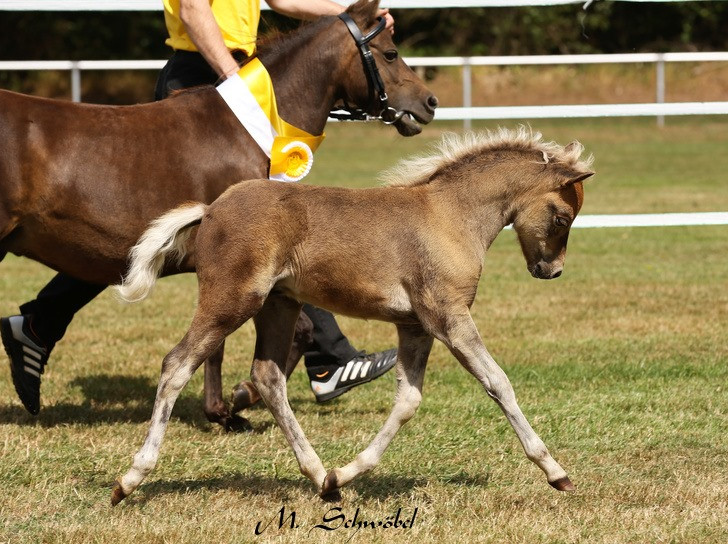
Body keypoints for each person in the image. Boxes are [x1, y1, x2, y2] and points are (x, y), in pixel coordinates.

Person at [1, 0, 397, 416]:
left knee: (158, 231)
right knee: (163, 229)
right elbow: (192, 8)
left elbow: (280, 0)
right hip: (211, 73)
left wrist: (350, 19)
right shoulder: (226, 79)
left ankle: (37, 327)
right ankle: (327, 357)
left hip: (243, 79)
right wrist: (231, 79)